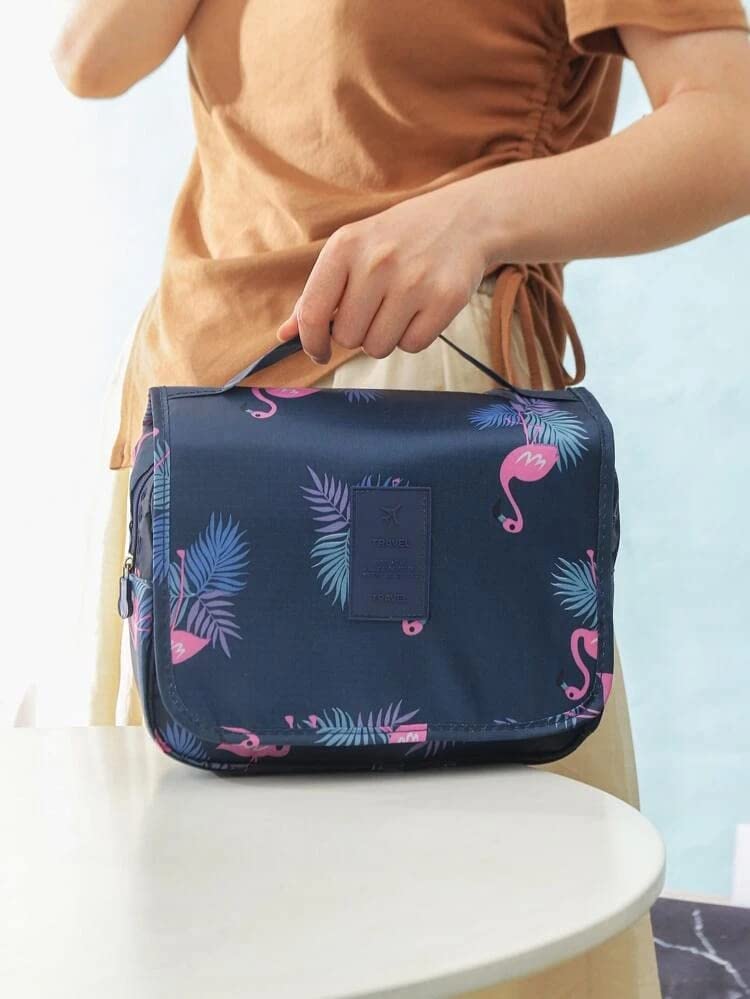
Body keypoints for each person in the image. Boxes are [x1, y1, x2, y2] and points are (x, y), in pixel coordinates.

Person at [53, 2, 750, 996]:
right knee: (190, 933)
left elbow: (731, 124)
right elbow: (88, 59)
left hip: (405, 434)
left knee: (448, 939)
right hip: (188, 437)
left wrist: (475, 217)